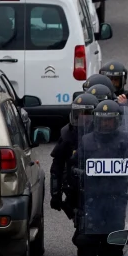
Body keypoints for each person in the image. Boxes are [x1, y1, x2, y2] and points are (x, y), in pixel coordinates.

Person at [71, 100, 128, 256]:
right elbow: (73, 165)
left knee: (113, 246)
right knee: (87, 244)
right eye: (103, 120)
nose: (106, 123)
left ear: (117, 121)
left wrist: (126, 165)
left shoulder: (125, 141)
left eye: (109, 119)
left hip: (116, 200)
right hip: (92, 201)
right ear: (96, 120)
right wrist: (82, 172)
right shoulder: (86, 140)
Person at [50, 92, 99, 221]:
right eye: (79, 114)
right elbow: (57, 166)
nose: (82, 118)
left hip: (101, 187)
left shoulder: (103, 132)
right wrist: (56, 194)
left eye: (86, 114)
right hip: (76, 187)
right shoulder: (67, 134)